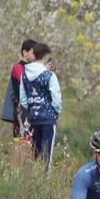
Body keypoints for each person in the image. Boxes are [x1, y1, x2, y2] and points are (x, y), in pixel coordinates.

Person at [19, 42, 61, 172]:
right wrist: (57, 110)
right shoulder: (50, 75)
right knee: (47, 153)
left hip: (32, 118)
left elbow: (23, 99)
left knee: (34, 153)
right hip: (48, 118)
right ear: (45, 57)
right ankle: (45, 181)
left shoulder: (24, 75)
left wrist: (32, 108)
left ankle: (30, 178)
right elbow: (56, 98)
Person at [1, 39, 37, 139]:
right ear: (25, 52)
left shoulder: (35, 68)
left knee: (33, 142)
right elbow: (26, 82)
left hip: (33, 109)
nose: (36, 56)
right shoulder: (18, 67)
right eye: (33, 53)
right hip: (21, 110)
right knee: (21, 141)